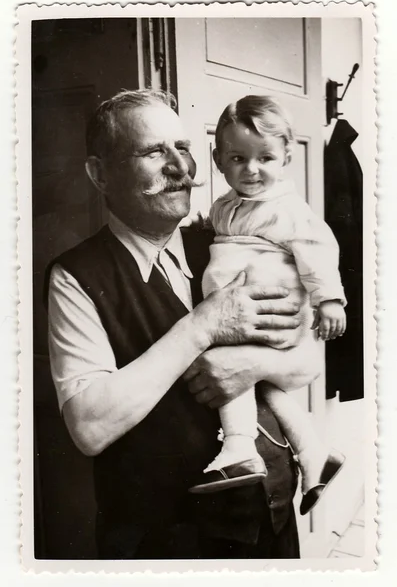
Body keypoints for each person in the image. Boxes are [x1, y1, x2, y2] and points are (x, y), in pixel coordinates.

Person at [47, 89, 309, 560]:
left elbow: (305, 363)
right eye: (153, 151)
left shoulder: (228, 241)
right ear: (100, 174)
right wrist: (203, 327)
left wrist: (249, 365)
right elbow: (88, 427)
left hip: (270, 521)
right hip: (167, 545)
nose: (180, 168)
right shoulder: (76, 276)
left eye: (183, 149)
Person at [189, 95, 345, 516]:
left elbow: (317, 249)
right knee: (264, 384)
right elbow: (223, 232)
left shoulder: (289, 209)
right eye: (237, 157)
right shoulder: (225, 205)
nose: (251, 169)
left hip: (267, 306)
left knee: (228, 363)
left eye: (266, 158)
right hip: (247, 307)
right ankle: (314, 453)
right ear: (218, 159)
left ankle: (240, 447)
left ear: (286, 157)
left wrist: (328, 299)